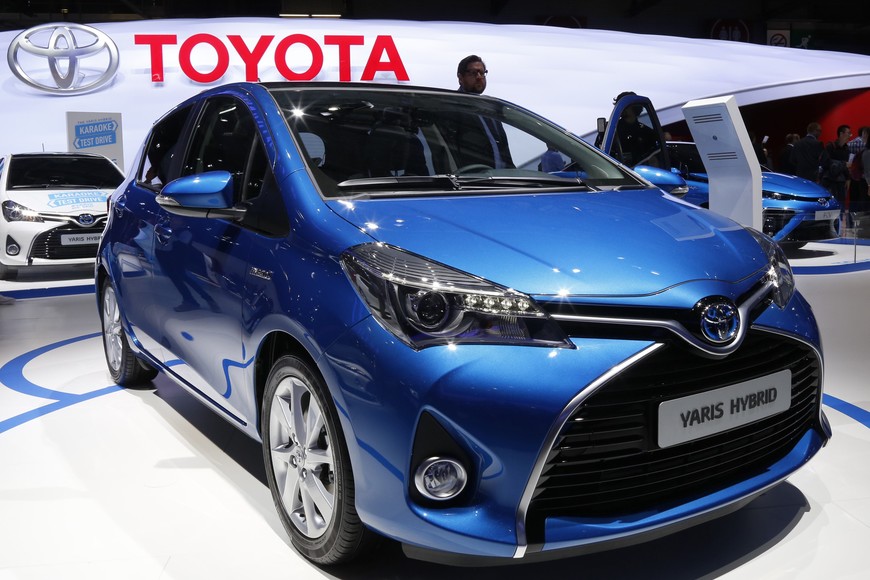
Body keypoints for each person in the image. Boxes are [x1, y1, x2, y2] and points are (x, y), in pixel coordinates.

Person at [452, 55, 513, 169]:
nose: (479, 77)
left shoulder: (491, 108)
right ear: (461, 78)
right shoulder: (453, 107)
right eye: (473, 73)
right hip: (473, 181)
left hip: (503, 181)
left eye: (482, 73)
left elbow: (505, 153)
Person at [612, 91, 658, 167]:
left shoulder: (647, 133)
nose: (621, 108)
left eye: (625, 106)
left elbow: (654, 159)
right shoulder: (611, 130)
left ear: (635, 107)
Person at [822, 124, 851, 207]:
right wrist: (843, 164)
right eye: (848, 133)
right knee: (829, 204)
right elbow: (825, 163)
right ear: (841, 134)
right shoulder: (830, 146)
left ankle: (840, 220)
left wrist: (848, 178)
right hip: (830, 181)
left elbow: (846, 166)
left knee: (840, 205)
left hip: (841, 182)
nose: (849, 135)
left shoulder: (846, 148)